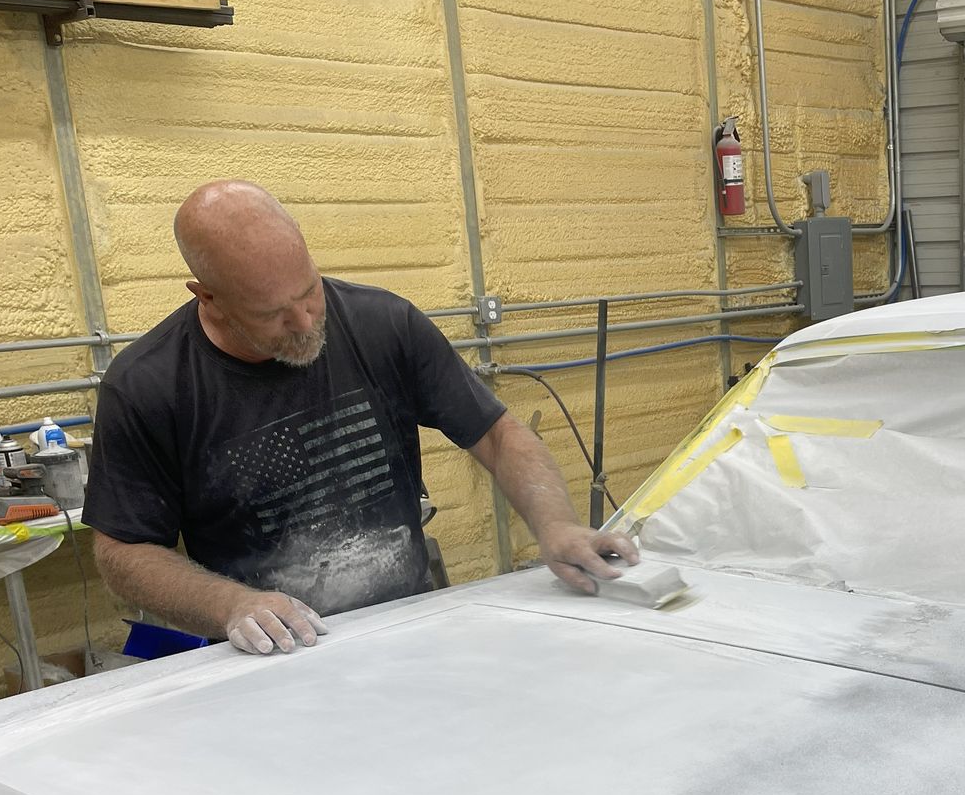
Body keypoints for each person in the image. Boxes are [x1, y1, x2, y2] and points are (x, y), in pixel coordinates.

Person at [84, 179, 635, 655]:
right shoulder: (149, 386)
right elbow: (123, 552)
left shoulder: (383, 324)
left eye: (310, 291)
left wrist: (555, 524)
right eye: (273, 314)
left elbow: (497, 434)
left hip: (408, 627)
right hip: (275, 653)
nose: (306, 323)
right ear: (208, 297)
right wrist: (232, 604)